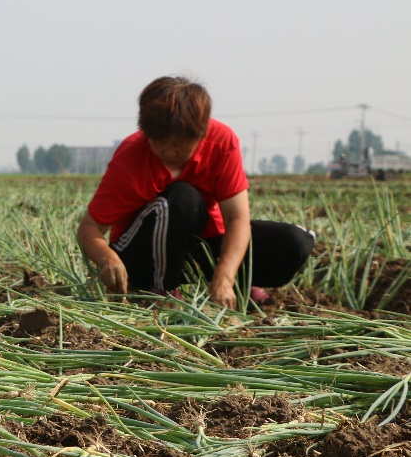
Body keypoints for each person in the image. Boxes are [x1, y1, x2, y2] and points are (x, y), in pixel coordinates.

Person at [77, 76, 315, 306]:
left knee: (294, 242)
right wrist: (108, 259)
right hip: (140, 253)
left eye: (180, 145)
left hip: (196, 246)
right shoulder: (131, 156)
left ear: (201, 134)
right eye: (159, 142)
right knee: (183, 197)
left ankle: (236, 284)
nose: (170, 153)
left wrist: (225, 276)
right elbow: (90, 228)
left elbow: (237, 219)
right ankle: (161, 291)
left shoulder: (222, 143)